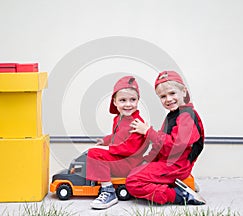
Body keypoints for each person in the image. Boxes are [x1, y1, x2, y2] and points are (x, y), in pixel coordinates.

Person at [126, 71, 206, 205]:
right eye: (163, 96)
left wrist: (148, 132)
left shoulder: (186, 116)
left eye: (172, 93)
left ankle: (179, 195)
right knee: (136, 169)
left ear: (184, 92)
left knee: (133, 180)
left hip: (176, 166)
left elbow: (175, 146)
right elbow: (159, 147)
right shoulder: (173, 115)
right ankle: (175, 184)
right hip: (168, 163)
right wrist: (147, 160)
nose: (168, 99)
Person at [86, 75, 148, 209]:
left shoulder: (136, 123)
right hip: (120, 158)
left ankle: (108, 191)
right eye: (122, 100)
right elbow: (116, 136)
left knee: (94, 154)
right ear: (114, 102)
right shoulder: (118, 118)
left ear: (138, 100)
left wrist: (108, 149)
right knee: (95, 152)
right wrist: (105, 141)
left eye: (133, 100)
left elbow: (130, 148)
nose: (128, 104)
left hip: (128, 162)